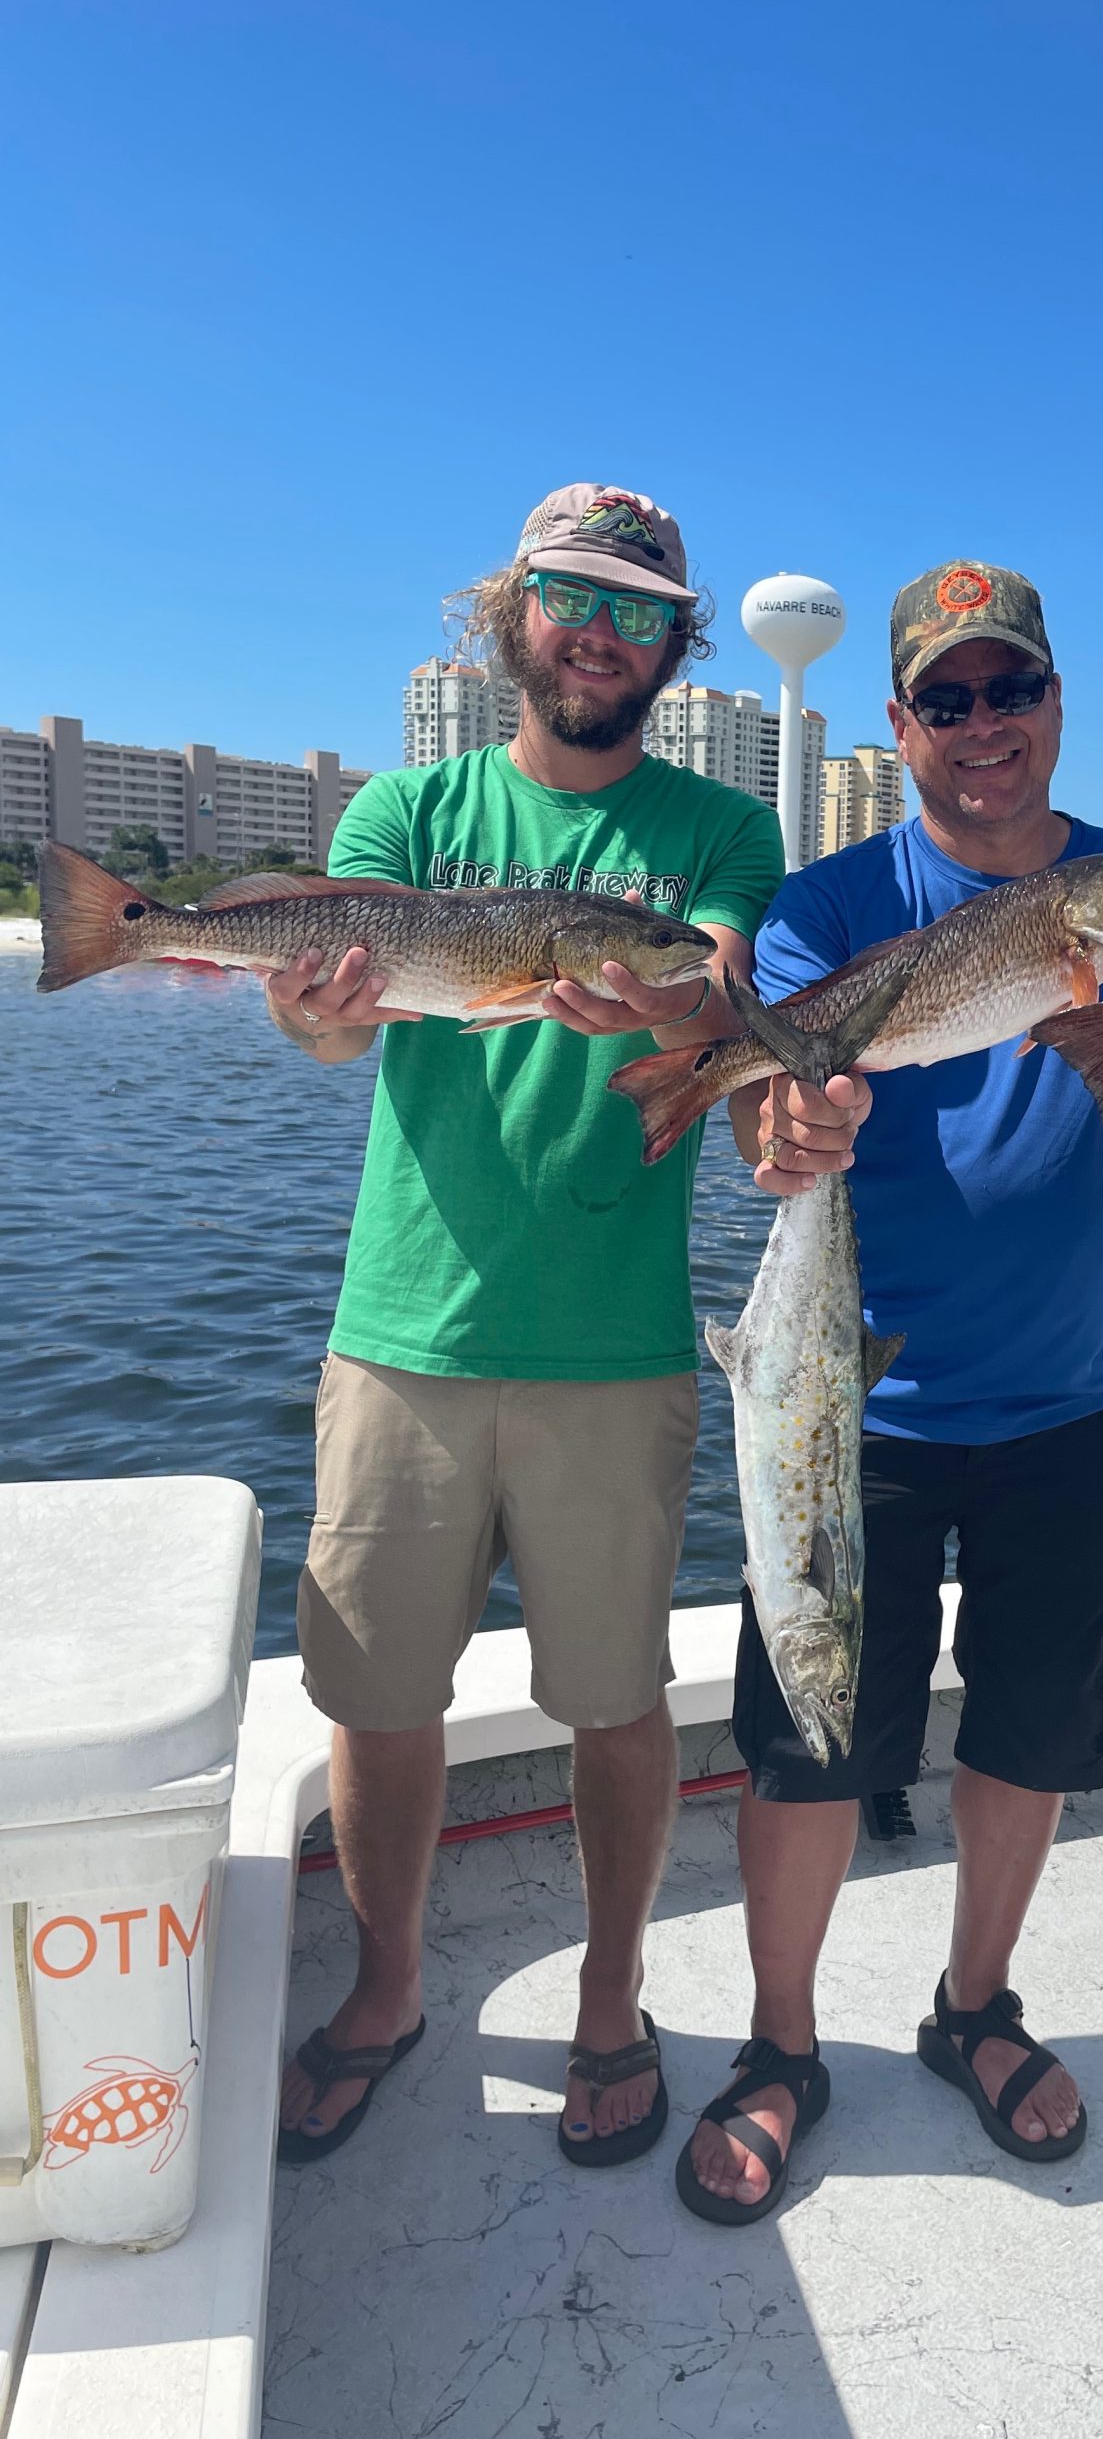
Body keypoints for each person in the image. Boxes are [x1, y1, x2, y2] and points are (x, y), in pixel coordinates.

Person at [676, 559, 1103, 2223]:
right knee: (806, 1743)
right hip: (858, 1409)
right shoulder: (831, 907)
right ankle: (782, 2047)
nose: (987, 727)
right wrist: (790, 1130)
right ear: (901, 721)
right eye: (951, 700)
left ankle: (974, 2008)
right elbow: (762, 1130)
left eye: (1015, 691)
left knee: (1034, 1739)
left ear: (1055, 704)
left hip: (1074, 1394)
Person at [273, 485, 785, 2169]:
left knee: (617, 1696)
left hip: (615, 1345)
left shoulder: (720, 828)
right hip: (397, 1332)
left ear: (677, 648)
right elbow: (344, 1039)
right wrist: (319, 1013)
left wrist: (654, 991)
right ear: (512, 616)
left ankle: (613, 1997)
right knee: (378, 1698)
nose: (601, 633)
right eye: (572, 599)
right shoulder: (404, 811)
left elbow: (715, 992)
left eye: (641, 613)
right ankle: (388, 1985)